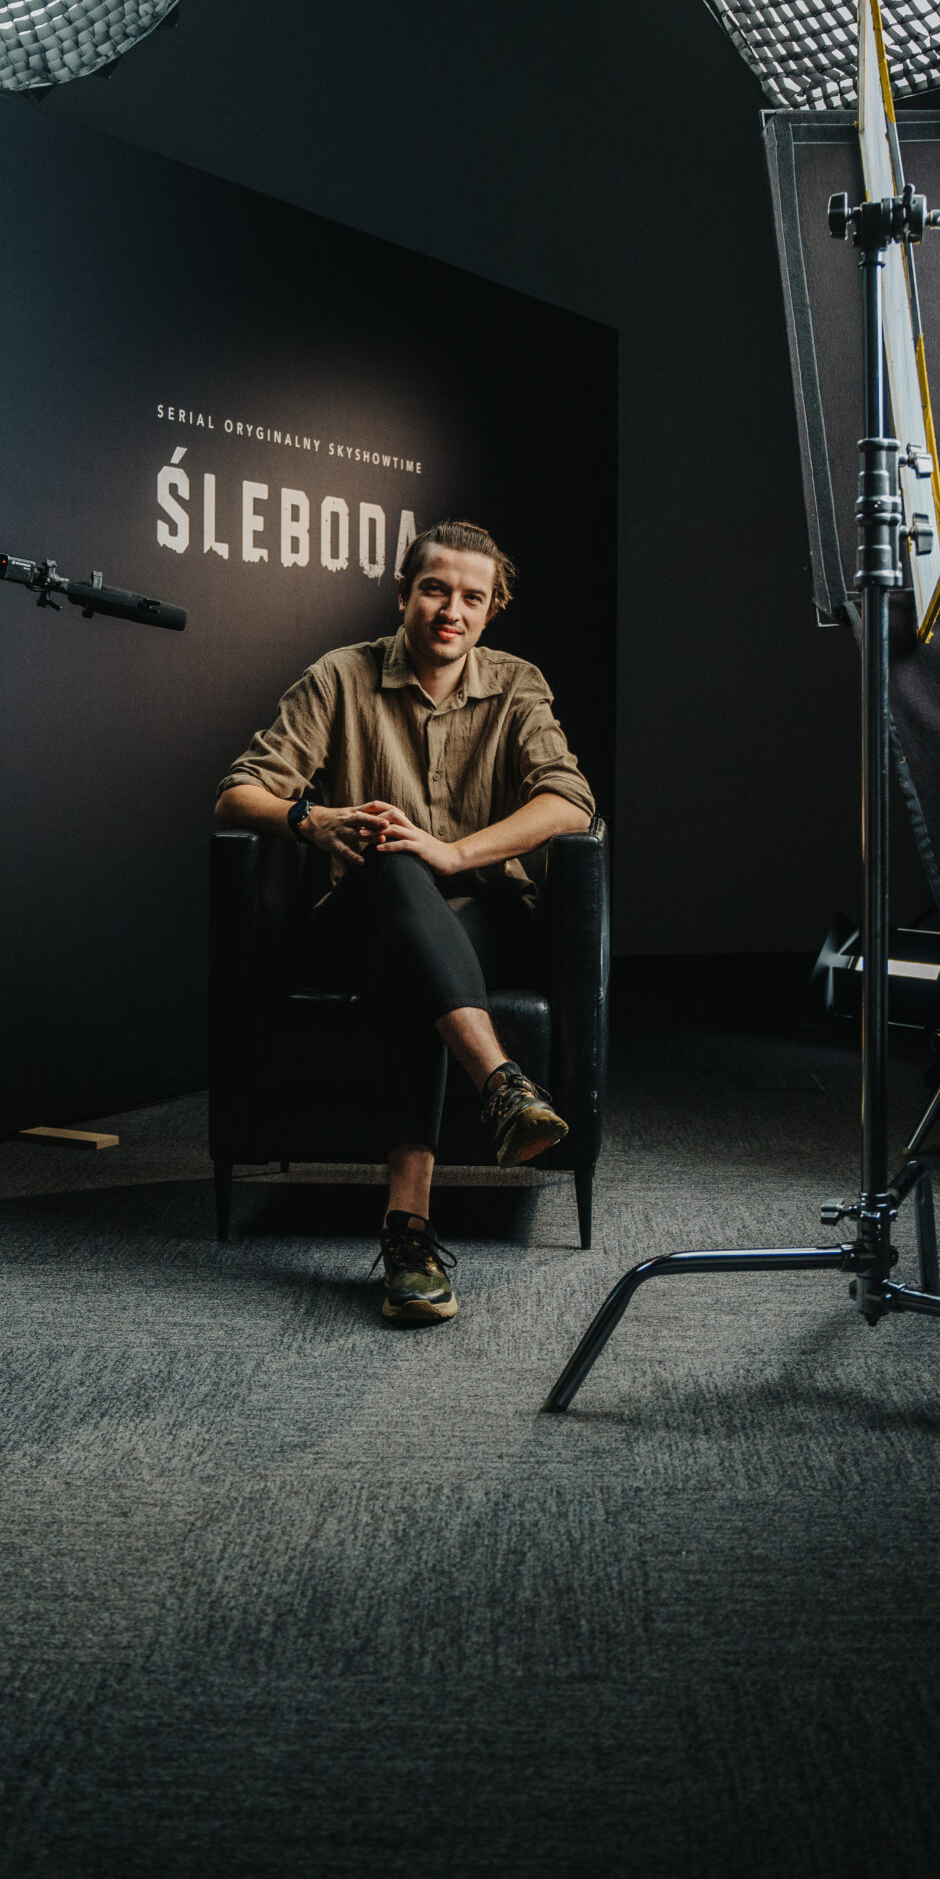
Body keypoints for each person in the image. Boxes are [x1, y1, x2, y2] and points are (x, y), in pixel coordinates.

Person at [214, 519, 595, 1327]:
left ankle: (407, 1235)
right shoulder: (339, 676)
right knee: (390, 856)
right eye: (433, 589)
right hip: (355, 917)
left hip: (483, 919)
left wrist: (452, 853)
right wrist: (312, 819)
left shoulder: (516, 684)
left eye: (470, 597)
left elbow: (569, 802)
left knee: (410, 959)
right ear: (401, 594)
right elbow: (237, 794)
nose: (450, 610)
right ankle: (500, 1084)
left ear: (491, 609)